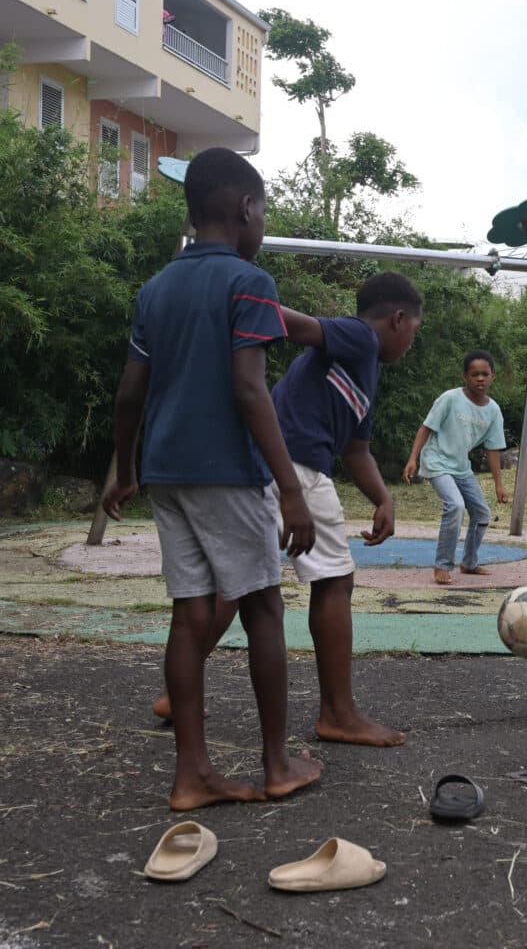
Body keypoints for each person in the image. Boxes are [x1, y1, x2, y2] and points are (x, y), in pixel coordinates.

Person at [103, 147, 323, 810]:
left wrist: (126, 468)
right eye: (264, 212)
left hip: (166, 472)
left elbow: (129, 393)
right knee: (263, 608)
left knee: (190, 612)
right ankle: (278, 764)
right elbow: (250, 390)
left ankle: (192, 774)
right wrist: (290, 489)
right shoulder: (249, 282)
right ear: (246, 208)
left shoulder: (156, 289)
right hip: (227, 471)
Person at [153, 271, 424, 748]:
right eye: (414, 331)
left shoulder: (365, 369)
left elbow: (356, 450)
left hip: (262, 463)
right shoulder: (360, 337)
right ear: (399, 319)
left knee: (237, 585)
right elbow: (295, 325)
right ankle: (338, 714)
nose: (410, 343)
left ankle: (178, 694)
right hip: (296, 467)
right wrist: (239, 309)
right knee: (335, 581)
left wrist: (383, 497)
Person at [402, 351, 509, 586]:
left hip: (461, 467)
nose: (480, 379)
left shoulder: (493, 410)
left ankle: (469, 563)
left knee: (482, 513)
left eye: (485, 374)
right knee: (455, 505)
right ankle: (442, 565)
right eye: (474, 374)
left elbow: (493, 449)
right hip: (436, 461)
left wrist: (499, 484)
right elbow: (426, 428)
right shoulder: (450, 398)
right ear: (465, 377)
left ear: (492, 376)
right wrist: (412, 459)